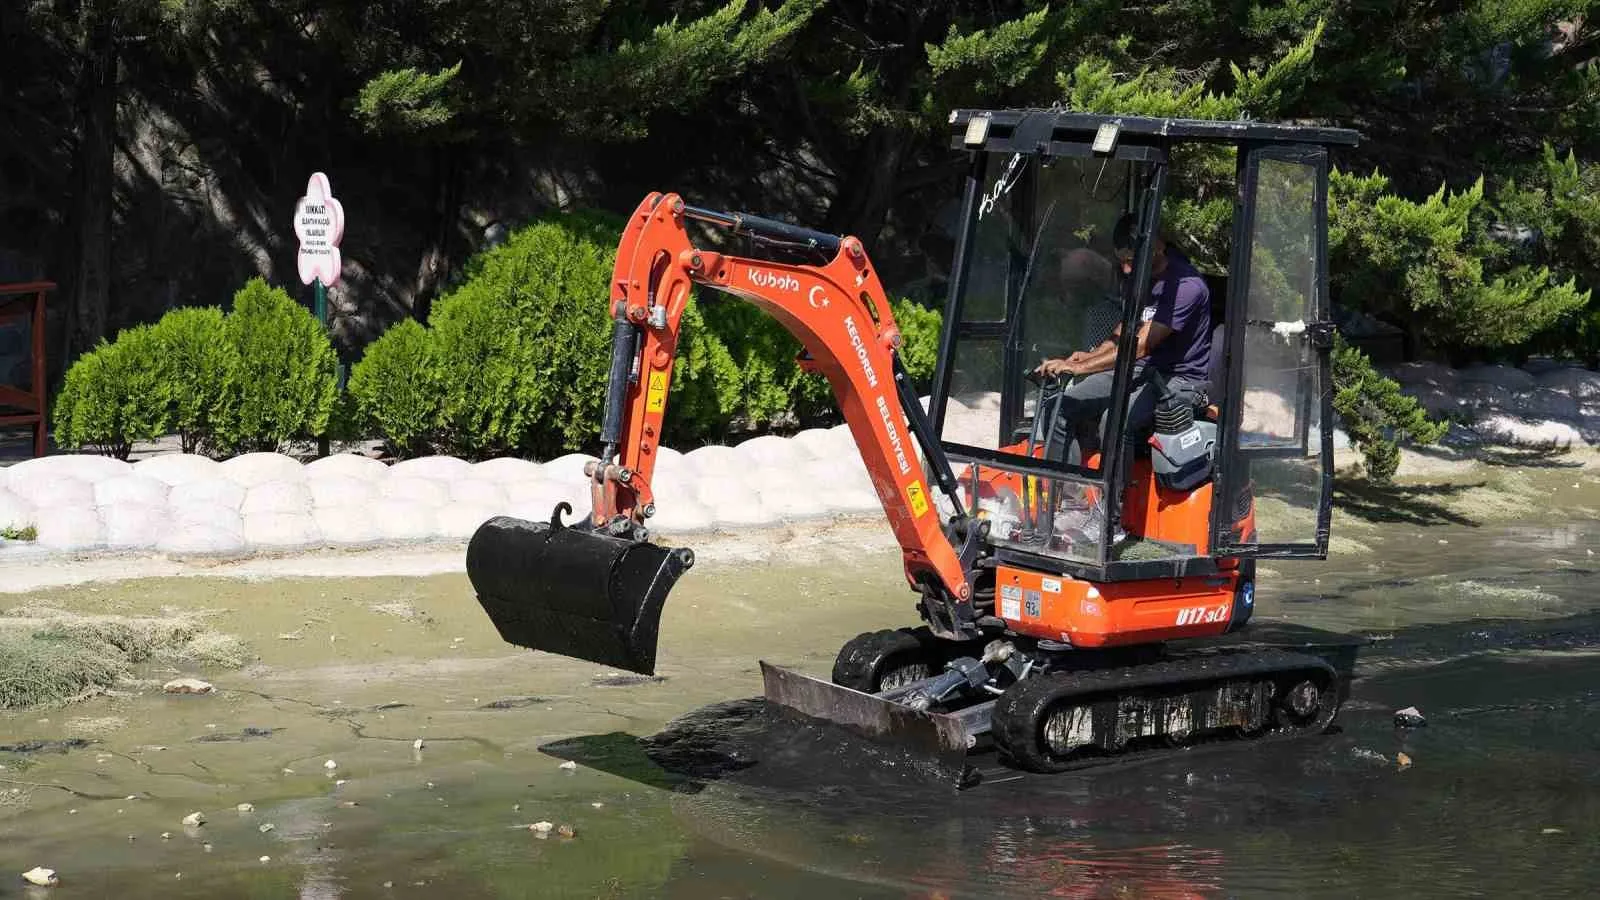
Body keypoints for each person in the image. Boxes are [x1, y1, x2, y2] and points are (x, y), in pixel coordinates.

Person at [1034, 214, 1211, 465]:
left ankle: (1111, 501)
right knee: (1058, 407)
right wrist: (1091, 355)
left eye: (1131, 260)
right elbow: (1128, 326)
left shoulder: (1187, 285)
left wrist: (1078, 368)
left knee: (1114, 419)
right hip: (1138, 370)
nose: (1126, 269)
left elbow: (1140, 345)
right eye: (1122, 261)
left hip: (1178, 380)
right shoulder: (1141, 278)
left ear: (1157, 246)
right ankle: (1067, 498)